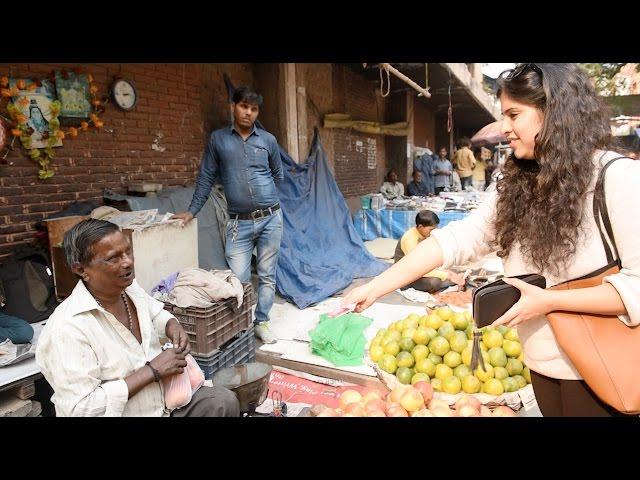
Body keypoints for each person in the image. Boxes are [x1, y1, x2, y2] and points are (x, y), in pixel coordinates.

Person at [344, 63, 640, 417]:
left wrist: (547, 301)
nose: (504, 128)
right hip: (540, 365)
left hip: (600, 370)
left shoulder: (617, 177)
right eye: (503, 115)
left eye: (514, 114)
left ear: (555, 112)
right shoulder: (518, 179)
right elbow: (457, 239)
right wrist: (376, 286)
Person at [36, 219, 240, 417]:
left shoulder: (129, 289)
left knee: (223, 401)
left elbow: (155, 312)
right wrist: (152, 371)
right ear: (81, 269)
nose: (127, 262)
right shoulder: (67, 328)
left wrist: (172, 325)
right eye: (113, 258)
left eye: (127, 251)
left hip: (164, 406)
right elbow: (81, 408)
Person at [171, 86, 283, 344]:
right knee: (237, 278)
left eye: (254, 109)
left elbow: (279, 174)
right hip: (238, 224)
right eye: (244, 106)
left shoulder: (268, 141)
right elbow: (206, 177)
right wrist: (192, 211)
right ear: (233, 106)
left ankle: (262, 322)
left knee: (267, 274)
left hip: (270, 220)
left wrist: (262, 192)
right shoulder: (218, 139)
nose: (248, 113)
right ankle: (241, 326)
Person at [393, 210, 465, 293]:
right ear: (420, 227)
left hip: (423, 269)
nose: (433, 231)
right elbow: (417, 269)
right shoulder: (410, 240)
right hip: (408, 276)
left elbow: (429, 258)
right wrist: (446, 275)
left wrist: (446, 272)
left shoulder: (425, 234)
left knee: (455, 271)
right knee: (435, 282)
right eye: (431, 229)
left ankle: (452, 280)